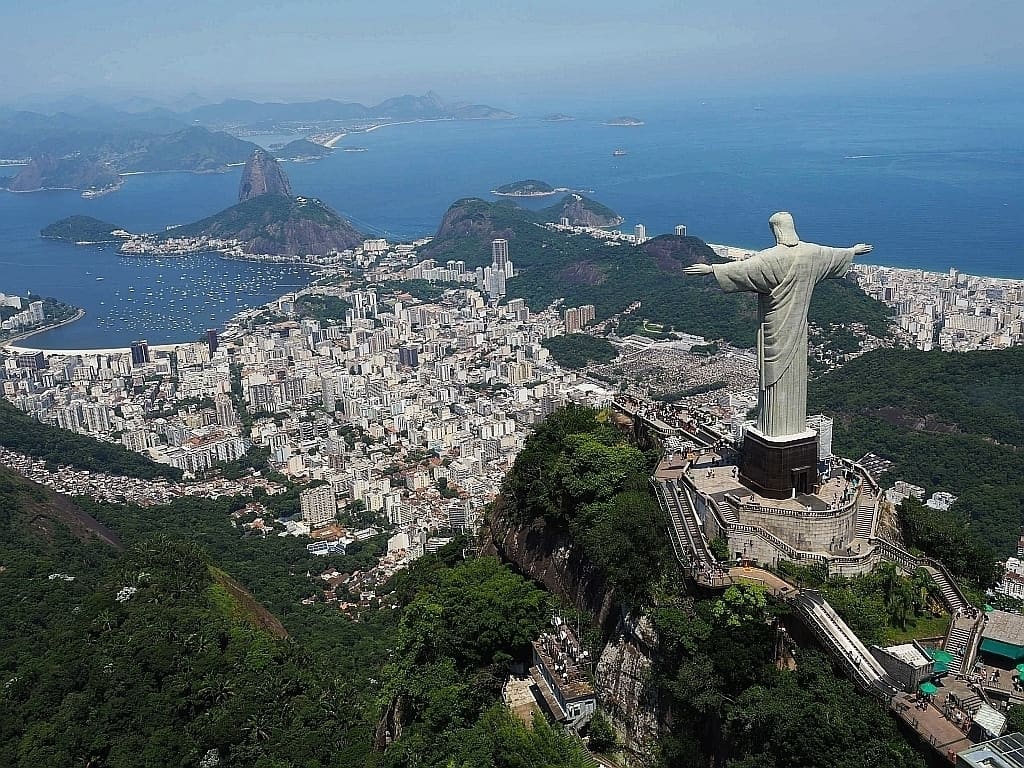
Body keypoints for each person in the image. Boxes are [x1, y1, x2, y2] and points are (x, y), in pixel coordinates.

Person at [684, 215, 872, 437]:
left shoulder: (771, 258)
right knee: (795, 375)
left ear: (776, 231)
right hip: (798, 330)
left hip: (774, 326)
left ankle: (774, 428)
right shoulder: (811, 253)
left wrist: (712, 269)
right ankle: (789, 428)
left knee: (774, 379)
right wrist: (853, 251)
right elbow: (833, 254)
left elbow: (744, 269)